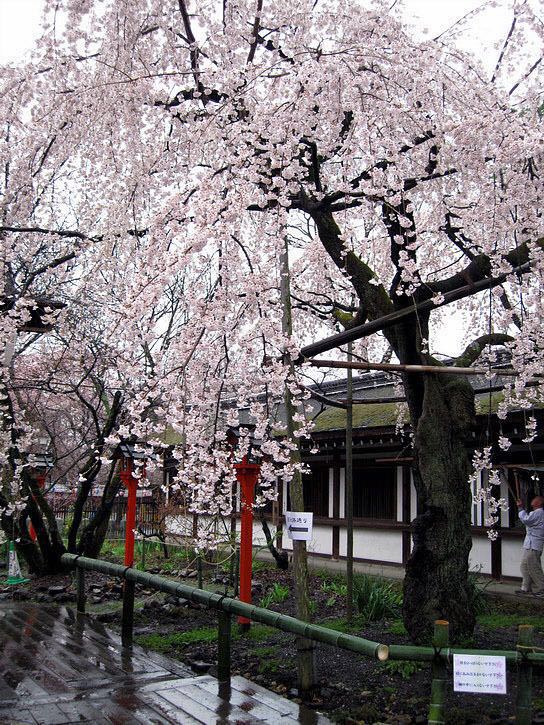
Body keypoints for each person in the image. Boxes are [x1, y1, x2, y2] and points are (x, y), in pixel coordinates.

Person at [516, 495, 544, 597]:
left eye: (535, 499)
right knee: (524, 566)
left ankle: (542, 588)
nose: (532, 500)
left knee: (534, 567)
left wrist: (520, 508)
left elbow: (526, 520)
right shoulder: (535, 513)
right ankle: (526, 588)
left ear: (539, 503)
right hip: (529, 543)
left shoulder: (539, 512)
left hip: (535, 544)